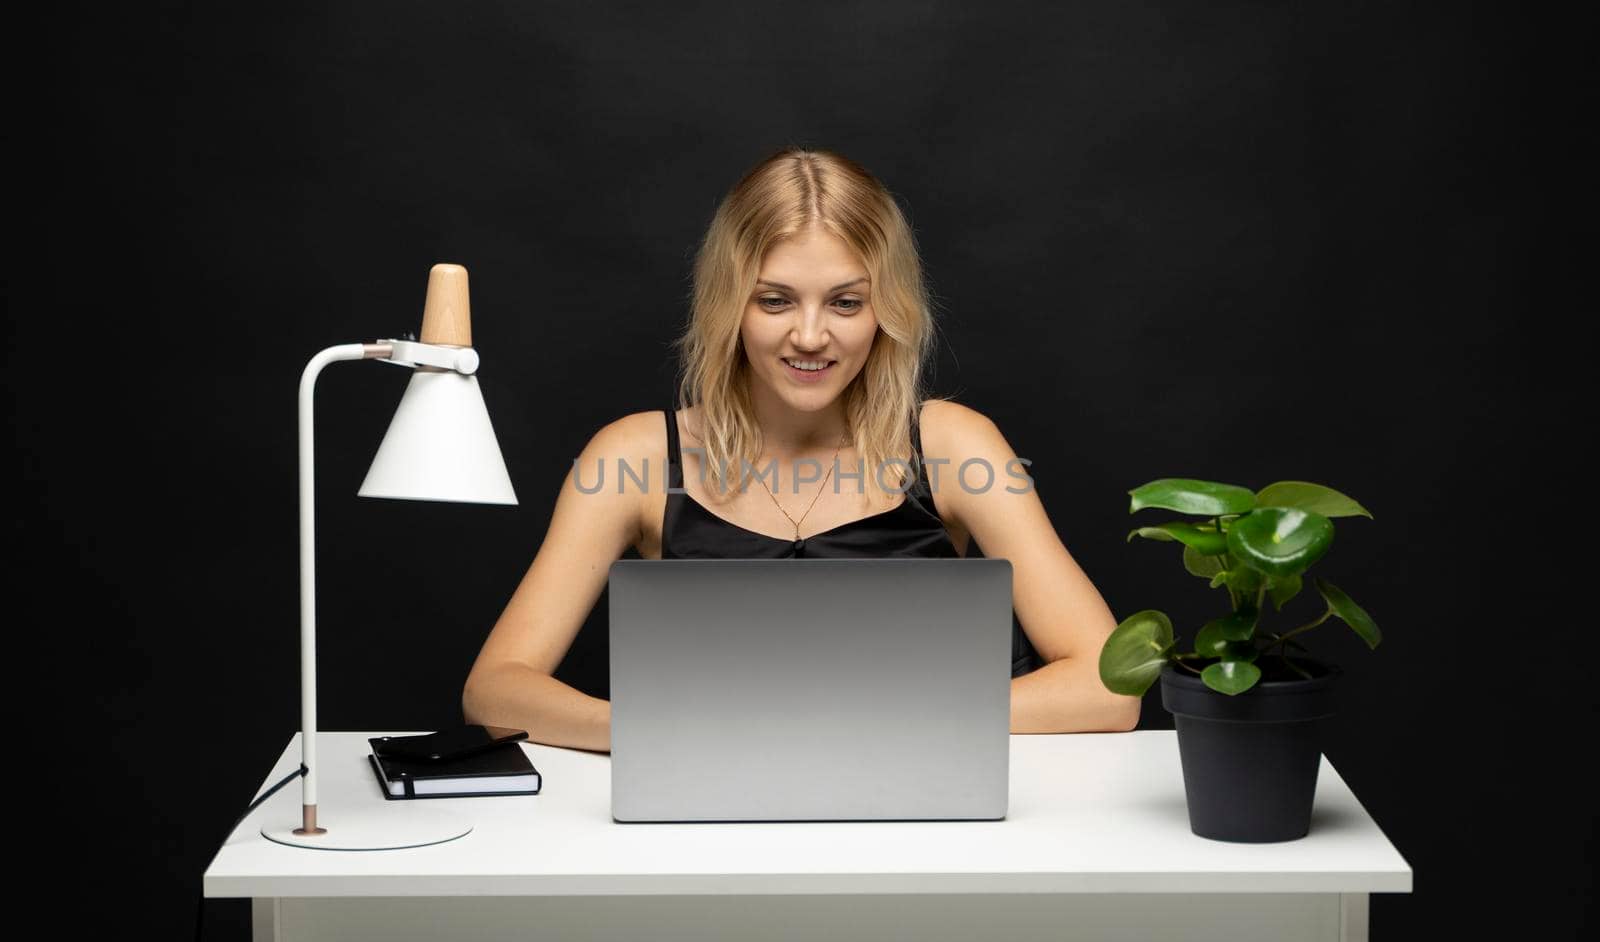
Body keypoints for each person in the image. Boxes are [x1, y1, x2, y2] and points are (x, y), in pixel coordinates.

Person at [462, 147, 1140, 752]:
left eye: (846, 303)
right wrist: (655, 731)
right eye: (776, 300)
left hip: (921, 817)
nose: (810, 336)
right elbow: (495, 689)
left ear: (887, 310)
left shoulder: (954, 443)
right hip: (705, 820)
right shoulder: (635, 456)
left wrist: (891, 719)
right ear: (729, 304)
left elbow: (1111, 688)